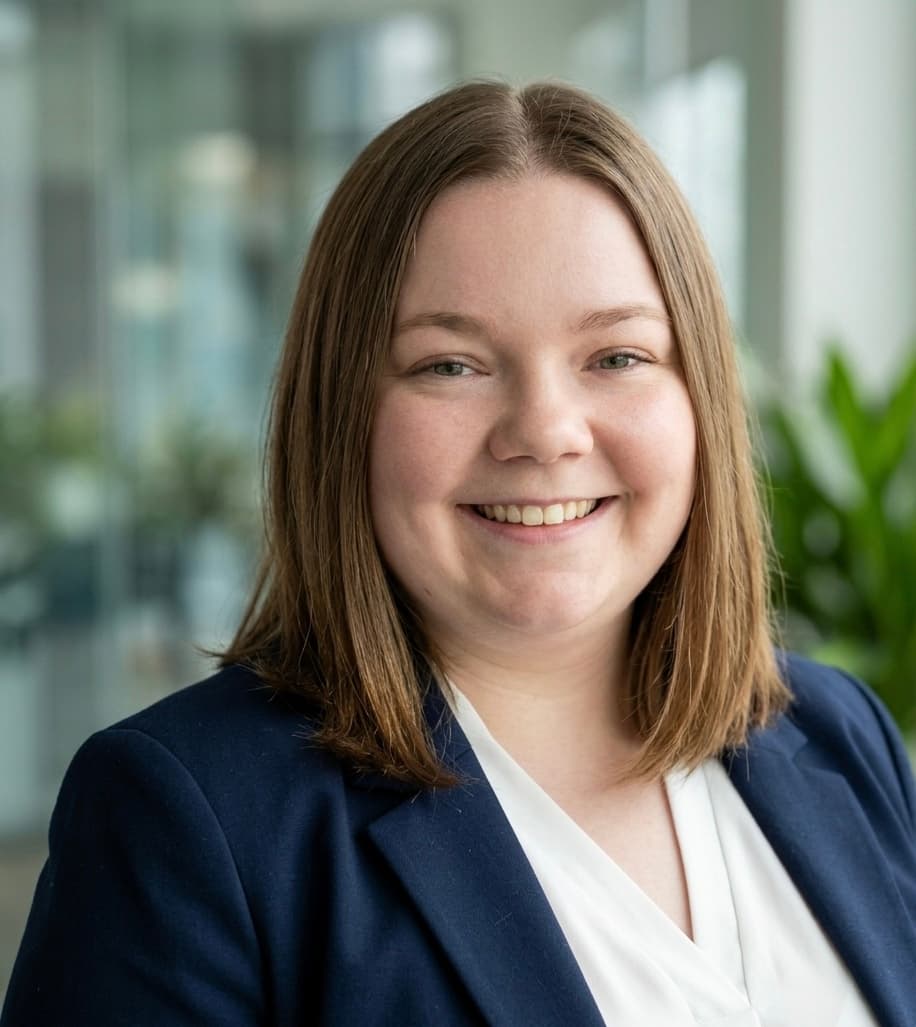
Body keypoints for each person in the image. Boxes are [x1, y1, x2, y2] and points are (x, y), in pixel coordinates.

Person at [2, 80, 914, 1027]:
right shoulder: (186, 822)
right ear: (341, 410)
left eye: (618, 356)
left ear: (701, 401)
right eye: (451, 365)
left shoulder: (841, 736)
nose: (545, 431)